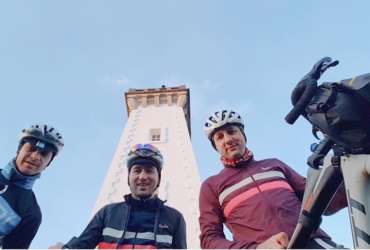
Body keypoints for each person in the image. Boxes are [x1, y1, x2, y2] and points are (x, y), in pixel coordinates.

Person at [199, 110, 347, 249]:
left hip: (312, 242)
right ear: (215, 147)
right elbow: (209, 239)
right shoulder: (211, 186)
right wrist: (257, 248)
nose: (228, 139)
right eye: (220, 137)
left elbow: (319, 198)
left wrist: (349, 177)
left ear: (243, 135)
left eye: (232, 132)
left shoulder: (274, 164)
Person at [50, 143, 186, 249]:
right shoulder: (107, 212)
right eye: (137, 170)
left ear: (159, 178)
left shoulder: (175, 218)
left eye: (149, 171)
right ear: (129, 177)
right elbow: (82, 244)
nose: (143, 177)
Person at [0, 124, 64, 249]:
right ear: (19, 150)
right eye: (31, 148)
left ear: (48, 163)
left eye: (44, 154)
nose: (35, 156)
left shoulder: (31, 213)